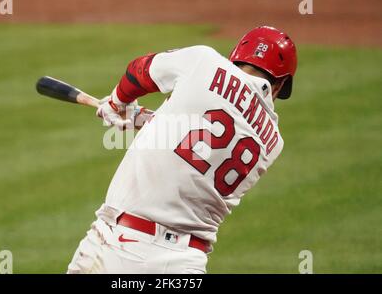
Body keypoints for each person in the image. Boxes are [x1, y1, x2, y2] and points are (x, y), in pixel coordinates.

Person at [67, 26, 297, 273]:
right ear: (279, 83)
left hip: (120, 246)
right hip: (186, 264)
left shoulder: (204, 61)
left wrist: (116, 103)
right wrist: (141, 118)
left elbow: (139, 71)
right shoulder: (273, 142)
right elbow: (202, 146)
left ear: (237, 54)